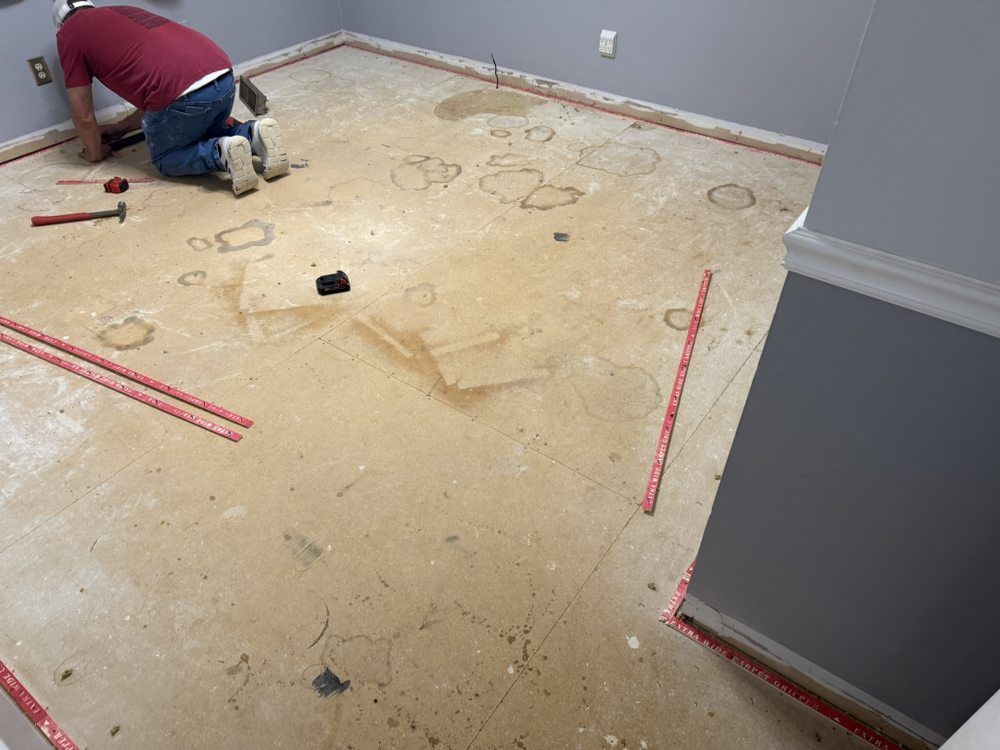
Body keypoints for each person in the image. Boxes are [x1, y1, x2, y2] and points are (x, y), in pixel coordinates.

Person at [53, 0, 288, 196]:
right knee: (200, 129)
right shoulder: (120, 10)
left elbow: (83, 115)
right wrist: (119, 127)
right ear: (90, 6)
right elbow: (156, 94)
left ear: (60, 23)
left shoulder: (68, 35)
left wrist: (94, 153)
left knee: (168, 158)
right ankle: (253, 134)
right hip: (223, 79)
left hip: (185, 99)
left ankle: (219, 152)